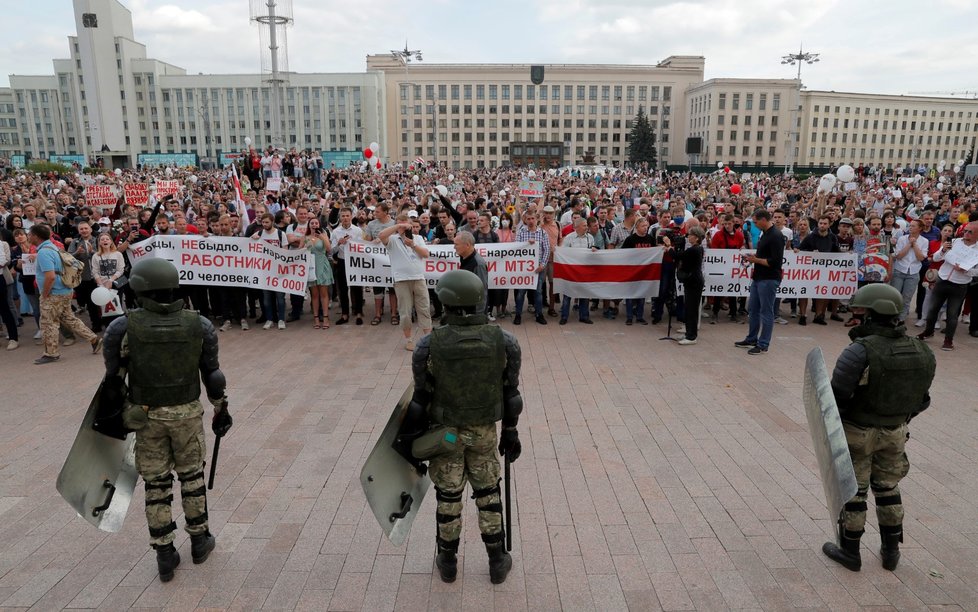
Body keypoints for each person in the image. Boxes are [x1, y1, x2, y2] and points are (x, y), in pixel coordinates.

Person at [101, 258, 232, 582]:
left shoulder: (122, 327)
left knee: (156, 484)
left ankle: (164, 552)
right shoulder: (198, 324)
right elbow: (212, 375)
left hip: (145, 418)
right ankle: (200, 540)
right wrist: (220, 408)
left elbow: (114, 381)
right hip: (186, 414)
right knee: (192, 478)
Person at [407, 270, 523, 584]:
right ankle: (497, 560)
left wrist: (410, 441)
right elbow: (511, 395)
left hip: (445, 434)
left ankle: (447, 561)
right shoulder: (505, 341)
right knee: (488, 493)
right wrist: (510, 431)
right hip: (485, 431)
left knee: (448, 496)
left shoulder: (428, 345)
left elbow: (420, 400)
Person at [822, 283, 935, 572]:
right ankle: (891, 552)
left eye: (864, 312)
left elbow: (836, 398)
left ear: (874, 314)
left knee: (855, 493)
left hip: (858, 432)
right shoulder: (922, 351)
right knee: (888, 488)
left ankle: (850, 552)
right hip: (896, 433)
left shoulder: (859, 351)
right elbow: (922, 401)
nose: (859, 317)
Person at [29, 224, 102, 364]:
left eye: (30, 234)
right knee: (69, 318)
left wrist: (44, 294)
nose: (28, 236)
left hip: (53, 293)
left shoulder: (44, 252)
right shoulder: (53, 247)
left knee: (48, 323)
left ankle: (51, 353)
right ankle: (94, 339)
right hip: (64, 290)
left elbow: (50, 276)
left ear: (36, 236)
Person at [917, 220, 978, 351]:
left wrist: (967, 270)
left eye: (970, 232)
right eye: (965, 230)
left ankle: (948, 340)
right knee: (933, 309)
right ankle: (928, 331)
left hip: (960, 285)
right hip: (942, 279)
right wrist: (943, 250)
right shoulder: (955, 242)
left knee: (952, 314)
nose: (966, 233)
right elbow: (936, 258)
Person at [378, 213, 432, 350]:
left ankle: (428, 338)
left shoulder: (418, 238)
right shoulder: (393, 239)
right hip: (401, 279)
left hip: (418, 278)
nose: (403, 227)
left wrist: (413, 245)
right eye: (400, 224)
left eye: (405, 224)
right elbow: (381, 235)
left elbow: (425, 254)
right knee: (405, 311)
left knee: (424, 308)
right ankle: (408, 339)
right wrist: (398, 226)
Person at [734, 209, 784, 355]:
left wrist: (755, 260)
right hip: (759, 277)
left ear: (763, 219)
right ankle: (751, 338)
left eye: (756, 222)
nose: (754, 225)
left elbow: (775, 262)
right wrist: (754, 256)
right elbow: (765, 255)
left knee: (766, 311)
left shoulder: (776, 236)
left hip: (768, 278)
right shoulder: (766, 233)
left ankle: (763, 344)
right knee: (753, 309)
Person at [513, 210, 550, 326]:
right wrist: (527, 244)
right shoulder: (521, 232)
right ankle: (518, 314)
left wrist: (542, 265)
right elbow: (516, 247)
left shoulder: (543, 233)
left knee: (538, 293)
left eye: (532, 218)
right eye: (528, 219)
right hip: (524, 269)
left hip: (537, 269)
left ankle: (539, 314)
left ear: (537, 219)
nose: (530, 221)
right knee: (520, 293)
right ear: (525, 219)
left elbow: (547, 250)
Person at [670, 226, 705, 345]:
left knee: (692, 309)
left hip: (694, 282)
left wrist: (669, 246)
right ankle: (689, 333)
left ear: (696, 237)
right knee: (689, 308)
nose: (688, 237)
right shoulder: (696, 249)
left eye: (690, 235)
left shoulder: (694, 250)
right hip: (692, 281)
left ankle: (691, 336)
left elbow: (677, 256)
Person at [331, 206, 365, 325]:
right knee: (343, 289)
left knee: (357, 289)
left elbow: (363, 247)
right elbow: (331, 250)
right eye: (343, 216)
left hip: (355, 262)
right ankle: (345, 314)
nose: (345, 218)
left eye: (347, 215)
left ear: (351, 216)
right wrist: (339, 243)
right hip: (342, 261)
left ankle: (359, 313)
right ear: (340, 217)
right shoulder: (335, 232)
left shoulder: (358, 231)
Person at [558, 217, 596, 325]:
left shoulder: (590, 238)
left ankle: (584, 316)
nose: (586, 228)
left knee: (584, 293)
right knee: (567, 294)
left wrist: (594, 249)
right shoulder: (569, 238)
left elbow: (592, 250)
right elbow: (563, 253)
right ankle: (564, 316)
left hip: (584, 271)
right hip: (571, 271)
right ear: (577, 227)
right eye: (584, 226)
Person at [304, 216, 333, 328]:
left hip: (322, 265)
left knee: (324, 294)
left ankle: (325, 318)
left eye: (316, 223)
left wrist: (322, 237)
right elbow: (299, 252)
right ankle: (316, 318)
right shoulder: (305, 237)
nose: (314, 225)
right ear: (309, 225)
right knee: (314, 295)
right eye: (312, 223)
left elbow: (329, 249)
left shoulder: (323, 235)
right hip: (311, 267)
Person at [453, 231, 488, 316]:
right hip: (465, 307)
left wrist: (478, 315)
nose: (454, 247)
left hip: (474, 312)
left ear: (467, 245)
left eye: (456, 244)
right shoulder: (464, 257)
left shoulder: (478, 264)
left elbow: (482, 290)